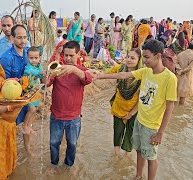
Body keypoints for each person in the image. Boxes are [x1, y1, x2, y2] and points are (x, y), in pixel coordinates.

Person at [96, 40, 177, 180]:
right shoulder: (146, 71)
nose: (144, 61)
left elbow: (170, 107)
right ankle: (138, 176)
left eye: (146, 57)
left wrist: (160, 133)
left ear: (158, 56)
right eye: (143, 57)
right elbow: (123, 75)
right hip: (139, 120)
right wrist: (100, 75)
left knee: (151, 157)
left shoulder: (170, 78)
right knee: (139, 151)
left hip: (152, 126)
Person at [47, 41, 93, 173]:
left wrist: (74, 69)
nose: (67, 58)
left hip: (74, 118)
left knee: (72, 144)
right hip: (56, 116)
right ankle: (54, 164)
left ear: (78, 55)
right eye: (65, 55)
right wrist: (48, 74)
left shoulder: (82, 70)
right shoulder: (58, 69)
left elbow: (87, 79)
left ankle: (69, 165)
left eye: (71, 56)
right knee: (54, 143)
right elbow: (47, 83)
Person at [0, 24, 34, 154]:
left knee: (28, 125)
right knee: (11, 128)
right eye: (19, 37)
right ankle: (10, 154)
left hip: (28, 95)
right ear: (12, 38)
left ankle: (28, 151)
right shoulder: (6, 57)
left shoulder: (28, 52)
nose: (23, 41)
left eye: (25, 37)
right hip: (12, 98)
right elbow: (4, 82)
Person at [104, 48, 143, 155]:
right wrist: (95, 74)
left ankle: (126, 156)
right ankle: (116, 155)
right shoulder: (120, 68)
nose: (129, 60)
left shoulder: (143, 75)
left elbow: (141, 99)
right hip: (118, 107)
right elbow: (106, 74)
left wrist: (130, 114)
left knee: (130, 133)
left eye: (132, 58)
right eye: (127, 57)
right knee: (117, 131)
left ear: (139, 60)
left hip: (134, 110)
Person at [22, 47, 44, 136]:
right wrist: (41, 73)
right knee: (32, 109)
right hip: (29, 92)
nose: (34, 60)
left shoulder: (39, 66)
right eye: (31, 58)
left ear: (39, 58)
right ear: (27, 58)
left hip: (36, 91)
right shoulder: (28, 67)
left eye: (36, 58)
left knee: (34, 109)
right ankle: (24, 125)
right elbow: (31, 72)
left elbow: (42, 76)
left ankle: (29, 126)